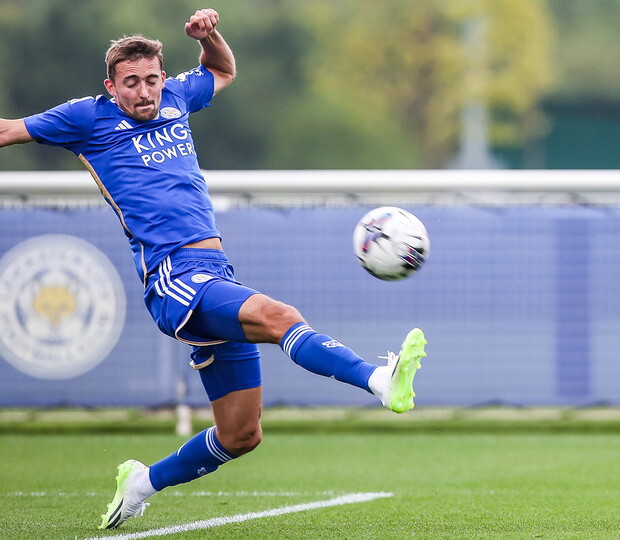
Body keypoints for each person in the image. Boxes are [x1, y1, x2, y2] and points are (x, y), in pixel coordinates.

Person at [0, 8, 427, 530]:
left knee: (241, 435)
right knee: (280, 316)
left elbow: (221, 70)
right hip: (172, 276)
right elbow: (8, 130)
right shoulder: (86, 117)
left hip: (212, 271)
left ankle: (141, 483)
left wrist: (210, 37)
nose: (144, 92)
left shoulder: (177, 97)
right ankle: (380, 380)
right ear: (110, 85)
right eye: (130, 83)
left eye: (151, 80)